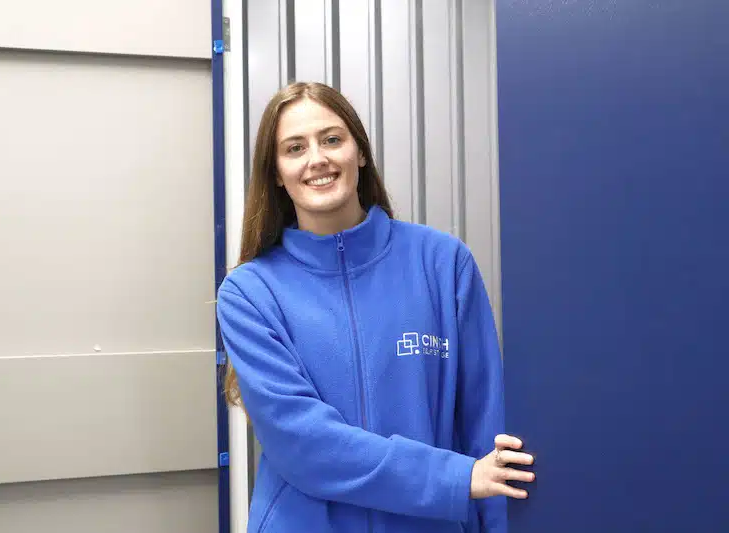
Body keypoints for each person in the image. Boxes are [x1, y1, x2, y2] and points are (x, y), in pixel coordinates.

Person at [216, 81, 535, 533]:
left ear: (359, 153)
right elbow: (305, 444)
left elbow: (489, 430)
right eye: (294, 148)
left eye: (332, 139)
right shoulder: (249, 293)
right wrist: (457, 477)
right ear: (275, 173)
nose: (317, 159)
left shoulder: (443, 264)